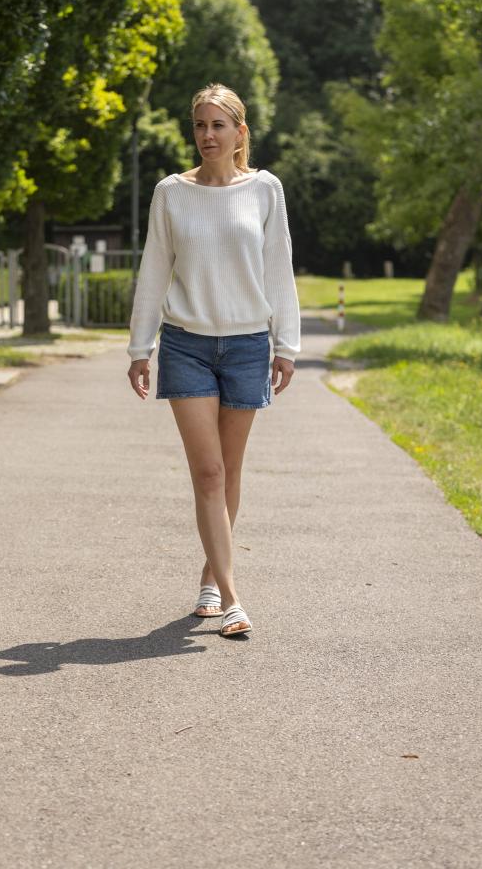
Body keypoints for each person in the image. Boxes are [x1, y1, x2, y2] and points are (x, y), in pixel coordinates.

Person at [126, 83, 300, 637]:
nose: (207, 135)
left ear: (239, 133)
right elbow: (154, 269)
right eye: (199, 125)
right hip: (187, 345)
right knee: (208, 471)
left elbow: (279, 269)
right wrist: (140, 347)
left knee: (229, 473)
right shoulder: (170, 193)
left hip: (249, 344)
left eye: (218, 125)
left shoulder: (265, 190)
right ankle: (231, 598)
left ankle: (209, 574)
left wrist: (286, 345)